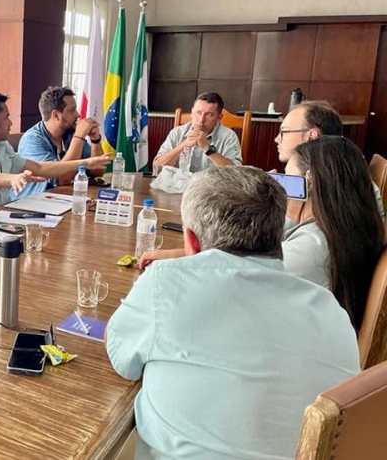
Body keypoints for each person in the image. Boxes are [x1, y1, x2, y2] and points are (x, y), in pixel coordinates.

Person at [106, 166, 359, 460]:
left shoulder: (164, 283)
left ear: (191, 241)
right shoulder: (331, 310)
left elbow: (121, 356)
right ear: (278, 234)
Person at [0, 89, 111, 209]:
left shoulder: (2, 147)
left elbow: (39, 168)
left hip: (4, 217)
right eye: (6, 117)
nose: (11, 123)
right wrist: (11, 179)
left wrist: (86, 162)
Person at [282, 136, 384, 332]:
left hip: (304, 337)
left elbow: (250, 276)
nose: (283, 189)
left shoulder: (312, 246)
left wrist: (290, 216)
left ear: (309, 181)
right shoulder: (351, 226)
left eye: (288, 179)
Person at [274, 99, 384, 220]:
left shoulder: (333, 183)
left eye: (284, 131)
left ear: (311, 135)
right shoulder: (347, 166)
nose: (277, 139)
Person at [14, 86, 103, 199]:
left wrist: (95, 139)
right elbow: (62, 178)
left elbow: (97, 171)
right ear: (56, 115)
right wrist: (79, 136)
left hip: (62, 198)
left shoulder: (69, 133)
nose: (78, 115)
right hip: (33, 202)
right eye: (72, 110)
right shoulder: (32, 140)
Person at [152, 92, 242, 173]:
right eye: (198, 113)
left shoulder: (229, 136)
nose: (201, 120)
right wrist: (183, 145)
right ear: (192, 112)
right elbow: (157, 167)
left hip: (211, 185)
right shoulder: (177, 132)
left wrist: (207, 148)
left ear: (219, 117)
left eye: (209, 114)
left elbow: (236, 174)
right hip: (178, 185)